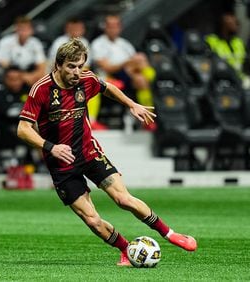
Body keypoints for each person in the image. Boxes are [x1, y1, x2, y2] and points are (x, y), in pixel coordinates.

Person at [17, 39, 197, 266]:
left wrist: (132, 104)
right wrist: (51, 147)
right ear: (59, 65)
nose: (76, 72)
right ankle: (125, 249)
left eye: (80, 66)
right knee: (92, 220)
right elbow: (23, 129)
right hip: (61, 165)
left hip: (89, 153)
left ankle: (170, 234)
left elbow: (108, 87)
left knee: (124, 199)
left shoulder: (86, 79)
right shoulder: (41, 89)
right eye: (71, 66)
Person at [90, 14, 156, 130]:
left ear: (120, 28)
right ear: (105, 27)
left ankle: (148, 119)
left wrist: (135, 63)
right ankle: (92, 121)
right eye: (110, 26)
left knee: (141, 77)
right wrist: (128, 62)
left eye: (116, 26)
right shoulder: (98, 44)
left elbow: (134, 63)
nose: (113, 29)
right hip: (108, 77)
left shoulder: (125, 44)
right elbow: (107, 67)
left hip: (128, 75)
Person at [0, 16, 47, 86]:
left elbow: (42, 66)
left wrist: (33, 76)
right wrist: (23, 76)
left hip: (30, 73)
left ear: (31, 30)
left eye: (26, 29)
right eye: (21, 29)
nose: (23, 32)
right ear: (16, 29)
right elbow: (0, 64)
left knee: (44, 77)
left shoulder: (35, 43)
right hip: (11, 74)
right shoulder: (5, 42)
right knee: (13, 77)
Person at [205, 12, 250, 87]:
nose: (237, 25)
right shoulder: (211, 41)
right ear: (223, 25)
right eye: (232, 22)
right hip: (220, 81)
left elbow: (247, 63)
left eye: (236, 23)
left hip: (241, 80)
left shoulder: (239, 42)